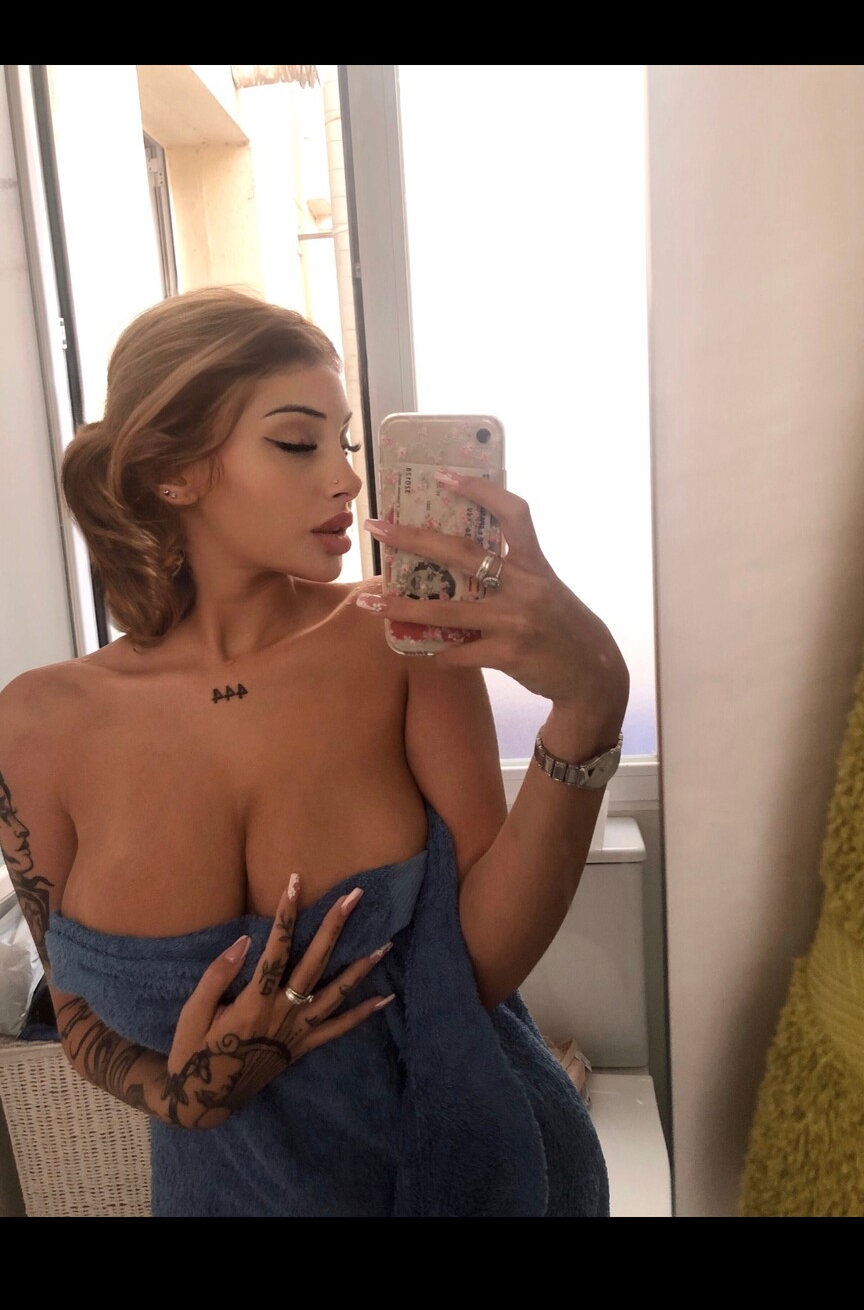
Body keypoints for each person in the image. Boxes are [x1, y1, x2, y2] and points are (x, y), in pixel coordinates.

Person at [0, 287, 630, 1217]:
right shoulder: (37, 722)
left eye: (346, 444)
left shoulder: (396, 638)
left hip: (472, 1174)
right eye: (298, 443)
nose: (346, 481)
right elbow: (76, 1015)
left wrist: (591, 702)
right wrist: (189, 1097)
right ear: (171, 471)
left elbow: (481, 970)